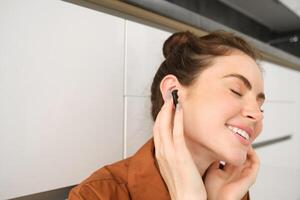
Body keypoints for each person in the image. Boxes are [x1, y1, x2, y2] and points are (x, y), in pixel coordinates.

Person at [69, 30, 264, 200]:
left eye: (260, 105)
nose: (257, 114)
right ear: (174, 93)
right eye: (236, 91)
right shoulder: (96, 196)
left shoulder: (230, 188)